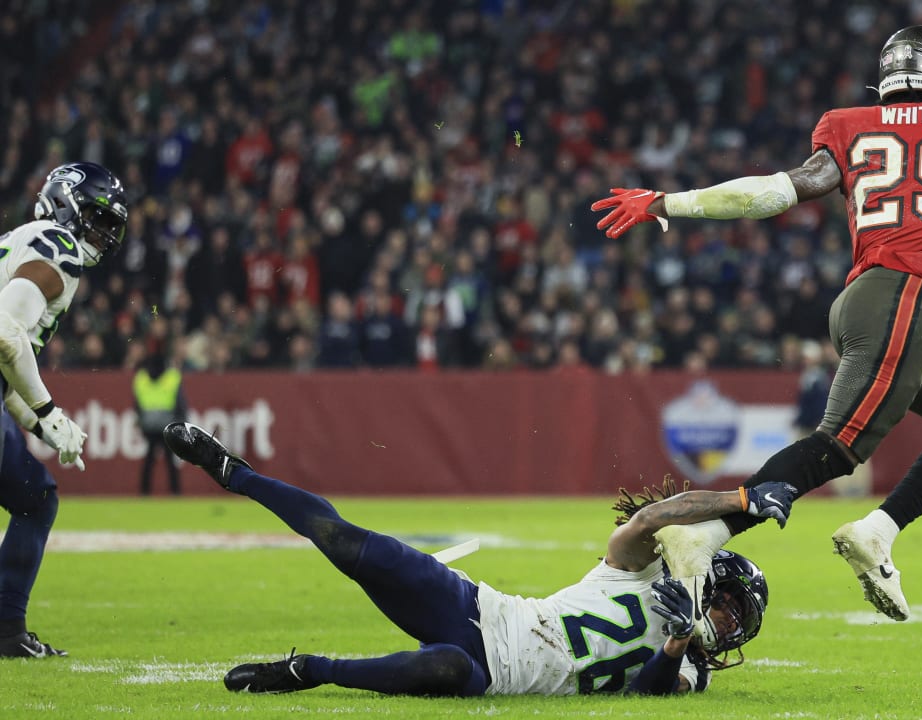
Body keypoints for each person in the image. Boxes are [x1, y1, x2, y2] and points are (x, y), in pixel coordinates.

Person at [592, 26, 922, 624]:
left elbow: (778, 191)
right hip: (902, 296)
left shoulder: (850, 125)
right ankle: (704, 534)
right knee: (838, 448)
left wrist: (669, 201)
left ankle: (877, 531)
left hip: (866, 298)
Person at [160, 421, 798, 696]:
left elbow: (646, 694)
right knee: (349, 542)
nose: (726, 619)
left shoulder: (693, 671)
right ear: (703, 571)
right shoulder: (642, 567)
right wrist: (741, 498)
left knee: (442, 669)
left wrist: (675, 646)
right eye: (726, 600)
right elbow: (656, 517)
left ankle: (308, 671)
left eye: (735, 615)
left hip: (499, 675)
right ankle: (233, 471)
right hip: (483, 609)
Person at [0, 162, 128, 657]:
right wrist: (48, 409)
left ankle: (8, 631)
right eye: (97, 217)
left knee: (36, 498)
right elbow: (6, 335)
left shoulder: (23, 239)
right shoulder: (60, 247)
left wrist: (40, 423)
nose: (104, 233)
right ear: (64, 202)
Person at [132, 350, 187, 495]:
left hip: (149, 425)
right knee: (170, 461)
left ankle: (144, 492)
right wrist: (181, 424)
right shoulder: (172, 377)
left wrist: (140, 422)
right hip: (168, 424)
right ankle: (176, 492)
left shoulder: (141, 377)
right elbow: (180, 404)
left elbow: (137, 404)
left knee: (149, 460)